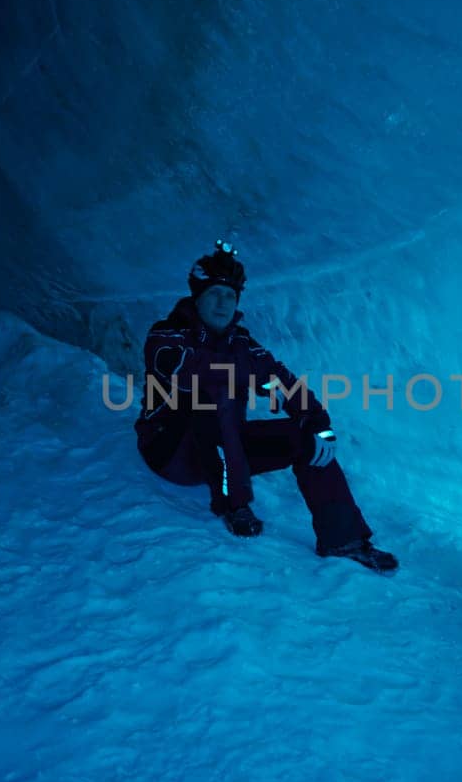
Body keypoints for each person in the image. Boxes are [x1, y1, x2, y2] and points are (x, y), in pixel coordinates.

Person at [133, 240, 398, 572]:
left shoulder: (241, 342)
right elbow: (186, 370)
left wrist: (316, 421)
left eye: (230, 296)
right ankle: (235, 505)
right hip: (170, 452)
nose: (222, 303)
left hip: (221, 450)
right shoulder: (167, 336)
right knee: (217, 393)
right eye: (215, 293)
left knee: (306, 437)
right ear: (197, 297)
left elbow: (278, 380)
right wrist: (248, 371)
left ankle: (343, 539)